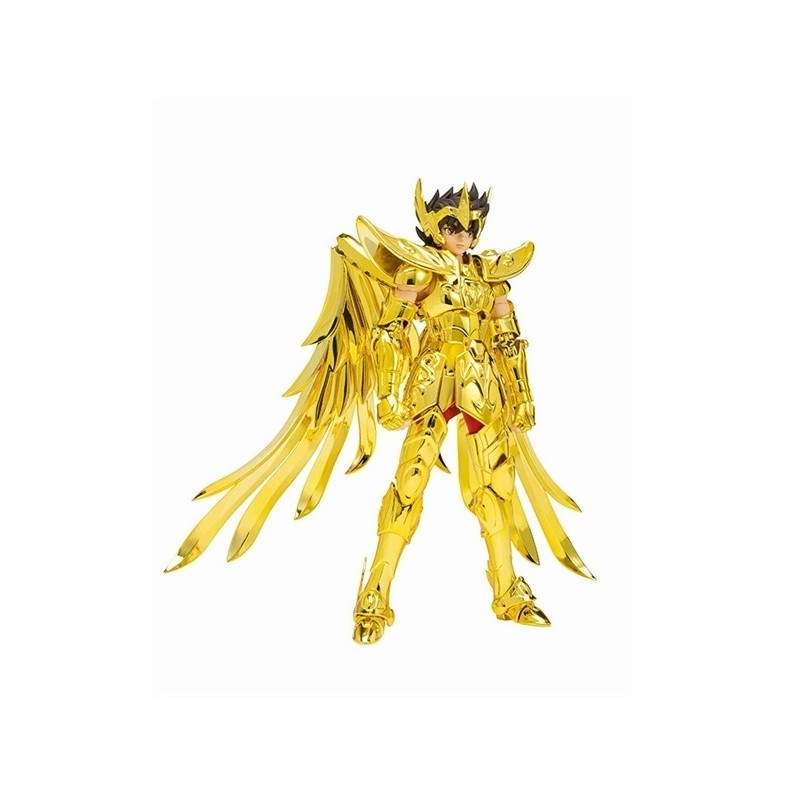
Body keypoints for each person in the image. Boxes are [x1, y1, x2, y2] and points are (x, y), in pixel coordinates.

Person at [166, 180, 592, 645]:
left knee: (497, 489)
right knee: (409, 484)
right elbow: (390, 330)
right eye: (452, 226)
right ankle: (375, 594)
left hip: (483, 387)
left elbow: (508, 337)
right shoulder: (418, 271)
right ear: (433, 228)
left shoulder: (490, 275)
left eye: (470, 227)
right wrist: (387, 392)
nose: (463, 235)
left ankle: (507, 592)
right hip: (432, 384)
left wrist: (523, 393)